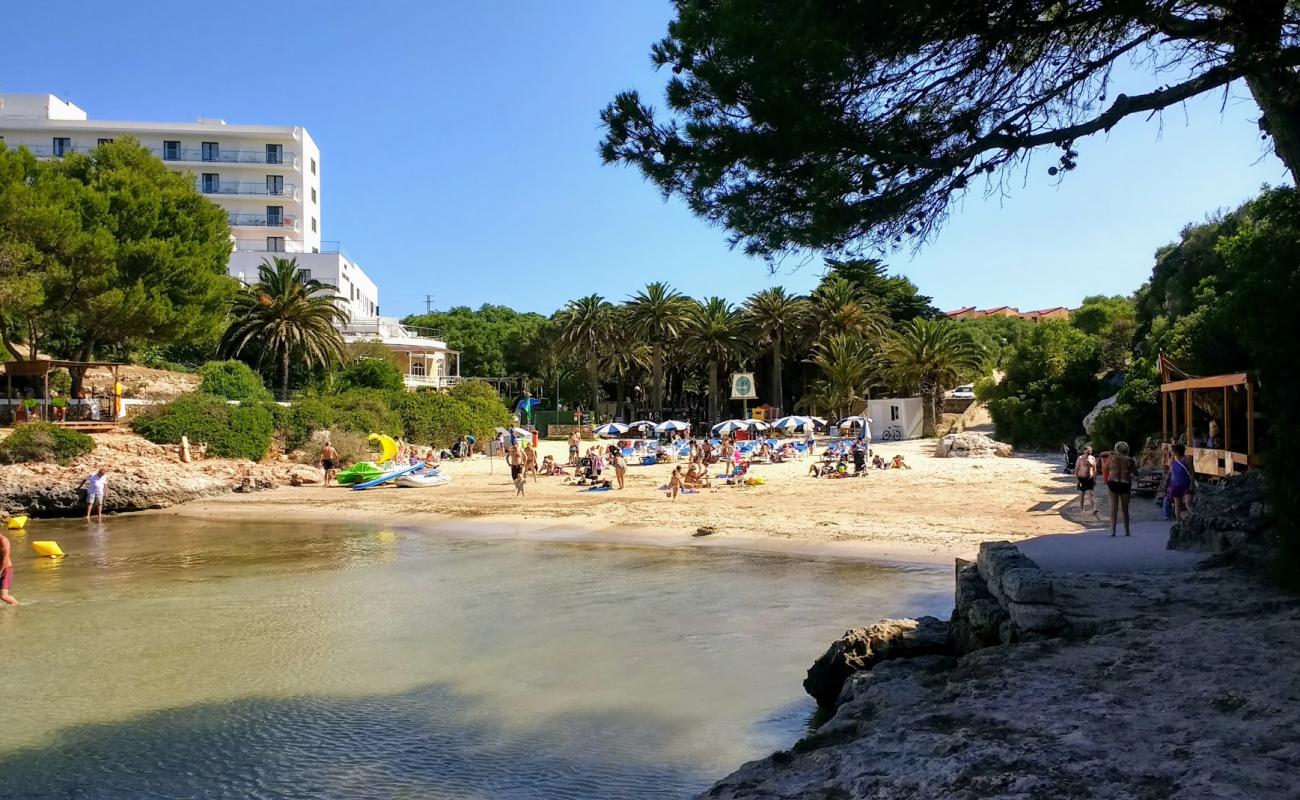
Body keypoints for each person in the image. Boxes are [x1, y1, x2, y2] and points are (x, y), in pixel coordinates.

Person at [1106, 441, 1137, 537]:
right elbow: (1135, 473)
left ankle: (1113, 531)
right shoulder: (1130, 460)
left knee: (1113, 508)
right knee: (1125, 509)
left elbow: (1104, 468)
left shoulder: (1111, 458)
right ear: (1127, 450)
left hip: (1113, 482)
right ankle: (1127, 531)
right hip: (1125, 483)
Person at [1167, 443, 1195, 522]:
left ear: (1177, 451)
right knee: (1177, 504)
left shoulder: (1187, 460)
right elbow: (1170, 473)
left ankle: (1193, 519)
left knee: (1188, 502)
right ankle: (1178, 521)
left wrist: (1192, 484)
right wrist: (1167, 484)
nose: (1172, 452)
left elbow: (1192, 473)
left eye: (1173, 451)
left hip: (1186, 484)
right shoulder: (1172, 460)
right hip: (1175, 485)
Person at [1073, 445, 1097, 513]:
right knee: (1082, 494)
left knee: (1091, 493)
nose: (1087, 454)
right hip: (1081, 478)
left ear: (1091, 452)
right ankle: (1081, 508)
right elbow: (1076, 470)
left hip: (1090, 478)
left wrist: (1094, 479)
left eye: (1088, 453)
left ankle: (1093, 509)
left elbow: (1095, 470)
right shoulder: (1080, 458)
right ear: (1084, 452)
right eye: (1086, 453)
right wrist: (1077, 480)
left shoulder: (1092, 458)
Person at [1, 531, 16, 605]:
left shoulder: (4, 541)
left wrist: (0, 572)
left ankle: (16, 607)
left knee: (4, 596)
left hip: (6, 569)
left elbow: (5, 559)